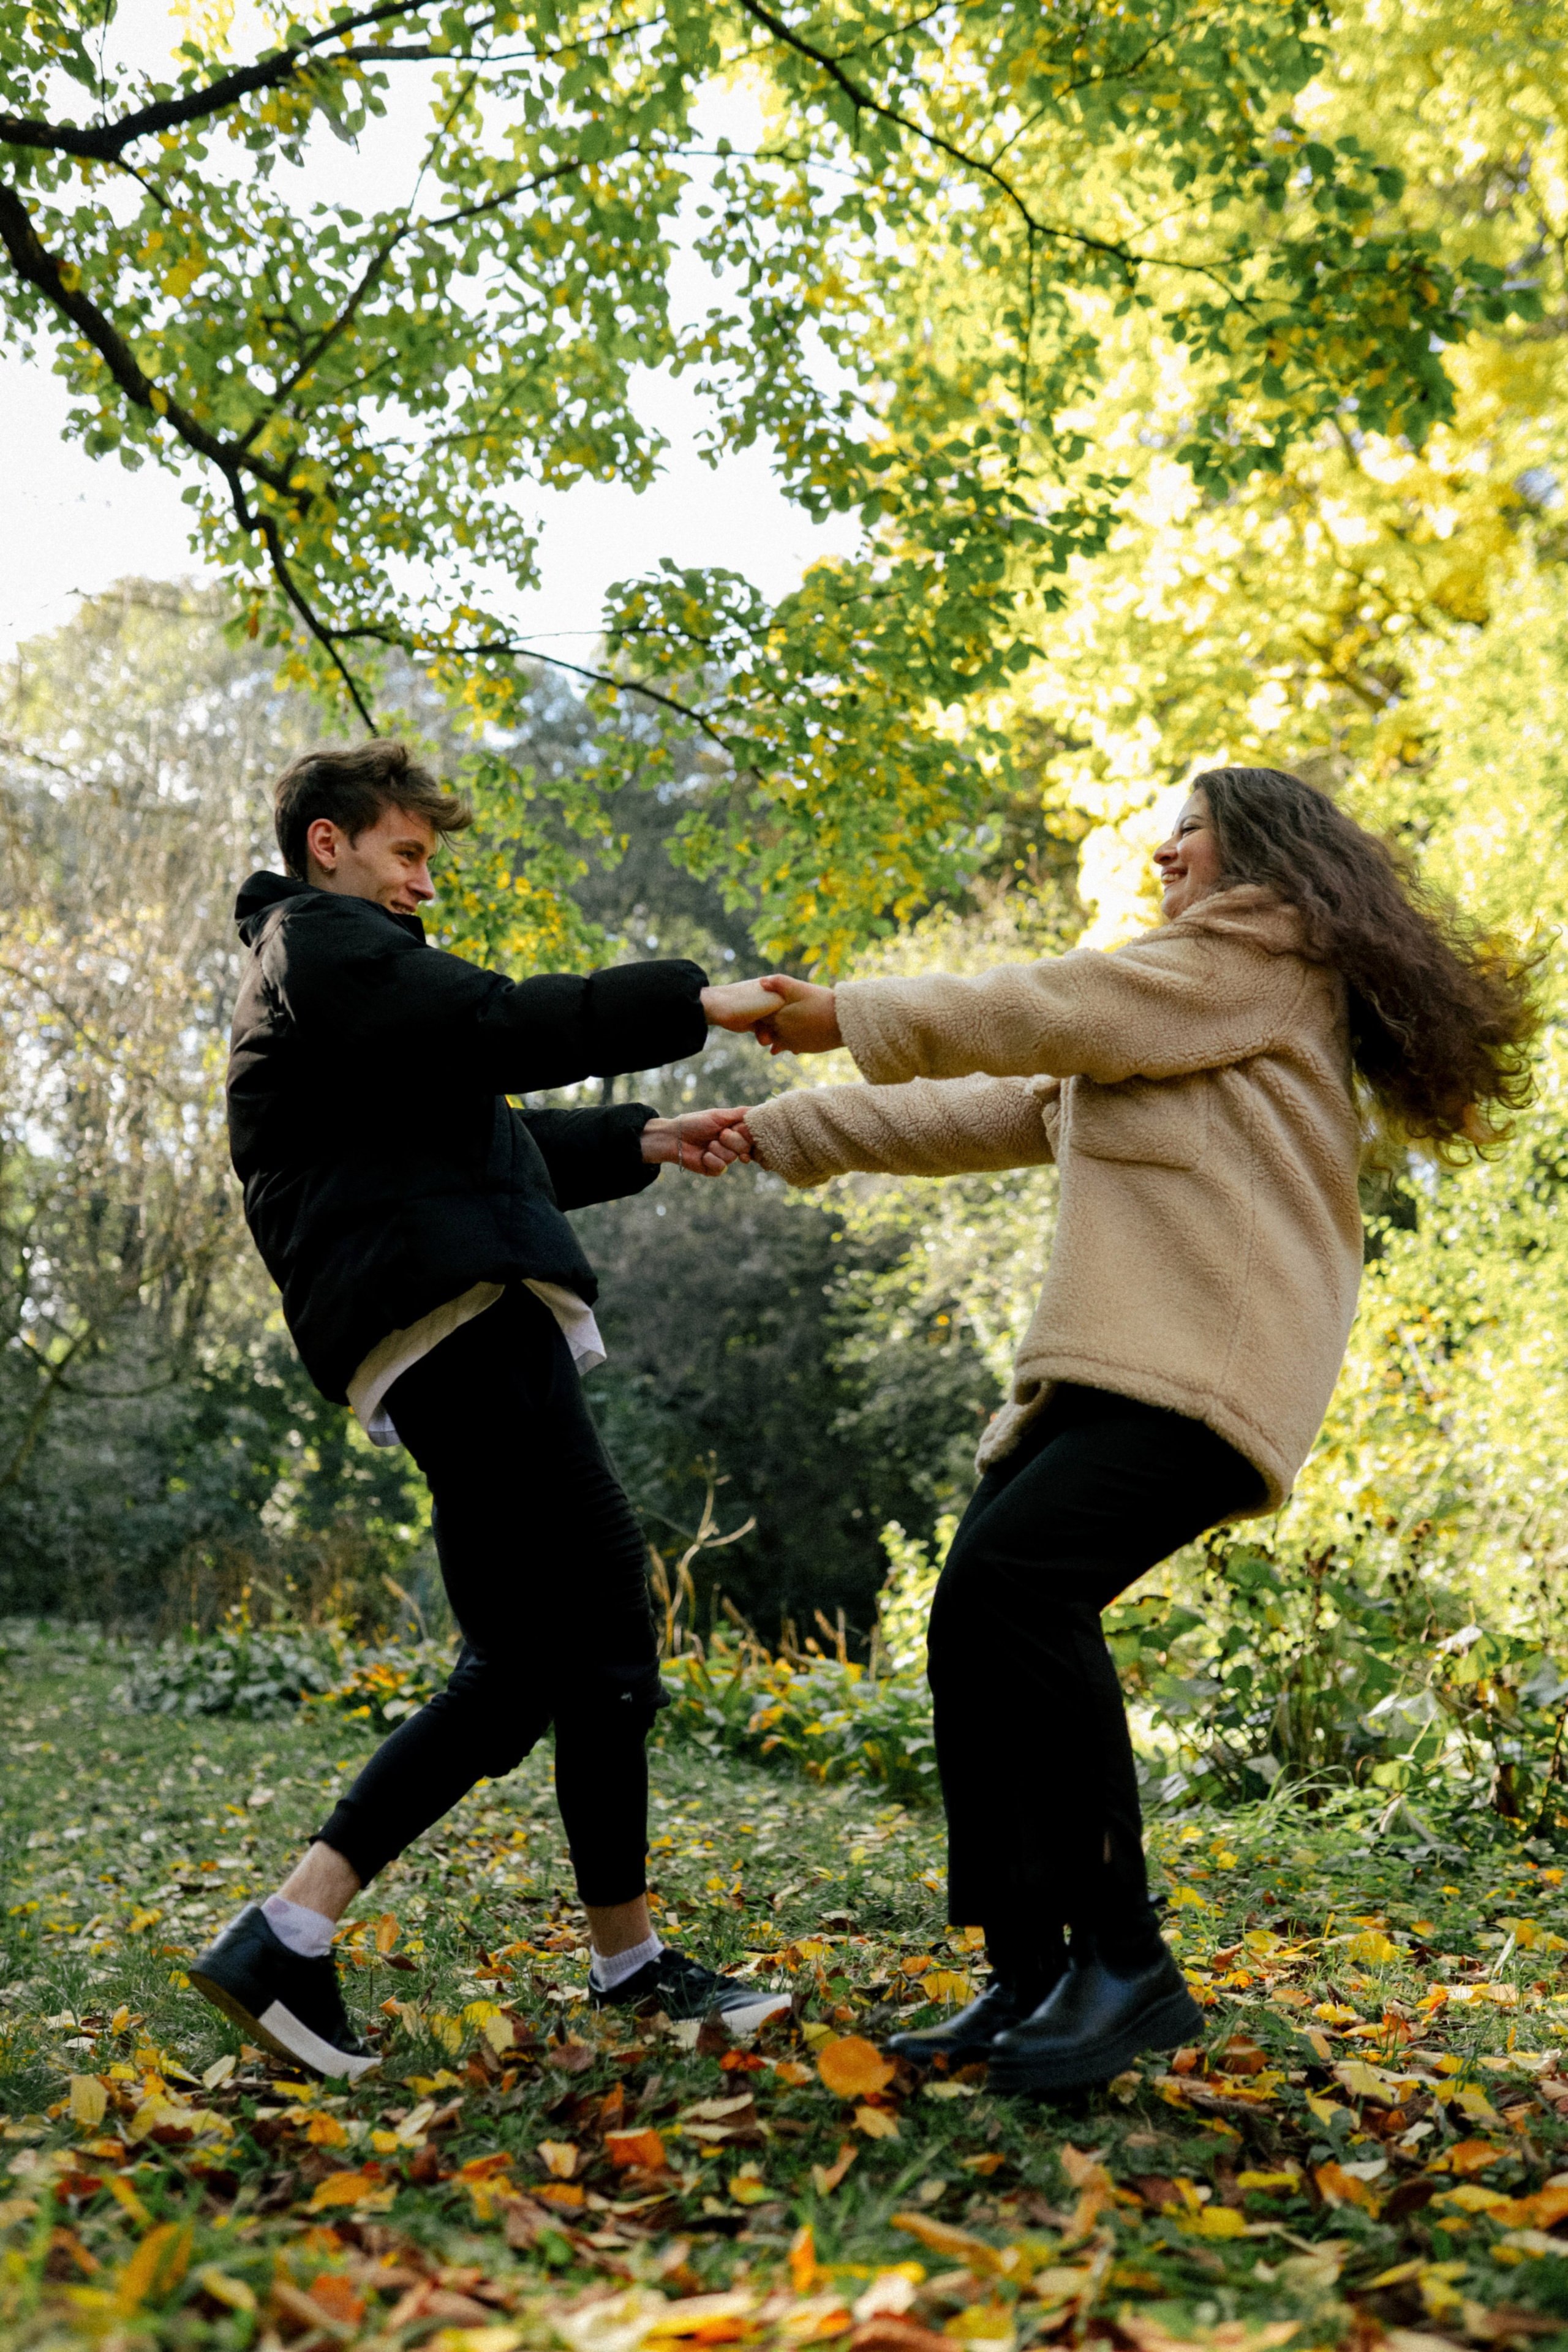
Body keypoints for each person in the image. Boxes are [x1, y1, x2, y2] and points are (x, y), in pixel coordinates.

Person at [729, 765, 1537, 2094]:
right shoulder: (1177, 1006)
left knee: (1012, 1588)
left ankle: (1124, 1963)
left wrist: (844, 1015)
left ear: (1258, 844)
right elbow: (1002, 1107)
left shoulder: (1258, 957)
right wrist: (773, 1134)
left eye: (1184, 832)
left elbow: (1046, 1002)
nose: (1161, 856)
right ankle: (1035, 1971)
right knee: (972, 1612)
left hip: (1205, 1373)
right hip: (1124, 1369)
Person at [191, 740, 782, 2080]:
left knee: (527, 1664)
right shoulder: (319, 945)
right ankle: (627, 1968)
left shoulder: (341, 987)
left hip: (441, 1320)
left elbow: (484, 1137)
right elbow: (501, 1026)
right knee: (604, 1626)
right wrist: (704, 1000)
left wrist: (643, 1138)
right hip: (459, 1323)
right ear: (327, 843)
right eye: (406, 855)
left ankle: (290, 1932)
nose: (421, 886)